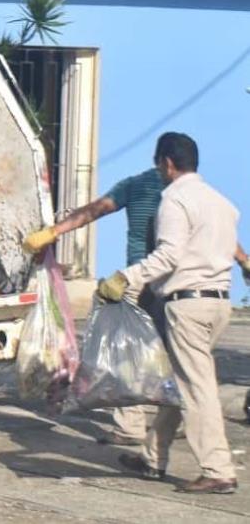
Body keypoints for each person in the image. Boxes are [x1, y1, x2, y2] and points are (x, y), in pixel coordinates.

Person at [98, 132, 240, 494]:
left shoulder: (174, 200)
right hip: (219, 302)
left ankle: (218, 468)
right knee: (181, 382)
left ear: (167, 163)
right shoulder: (221, 203)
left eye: (158, 163)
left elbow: (169, 256)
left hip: (186, 304)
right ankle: (152, 458)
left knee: (197, 388)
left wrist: (126, 276)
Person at [23, 167, 165, 445]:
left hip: (136, 277)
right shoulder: (185, 191)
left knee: (124, 351)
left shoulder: (136, 183)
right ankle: (170, 420)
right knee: (171, 353)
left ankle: (130, 428)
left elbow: (95, 210)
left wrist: (53, 231)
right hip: (172, 281)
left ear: (161, 159)